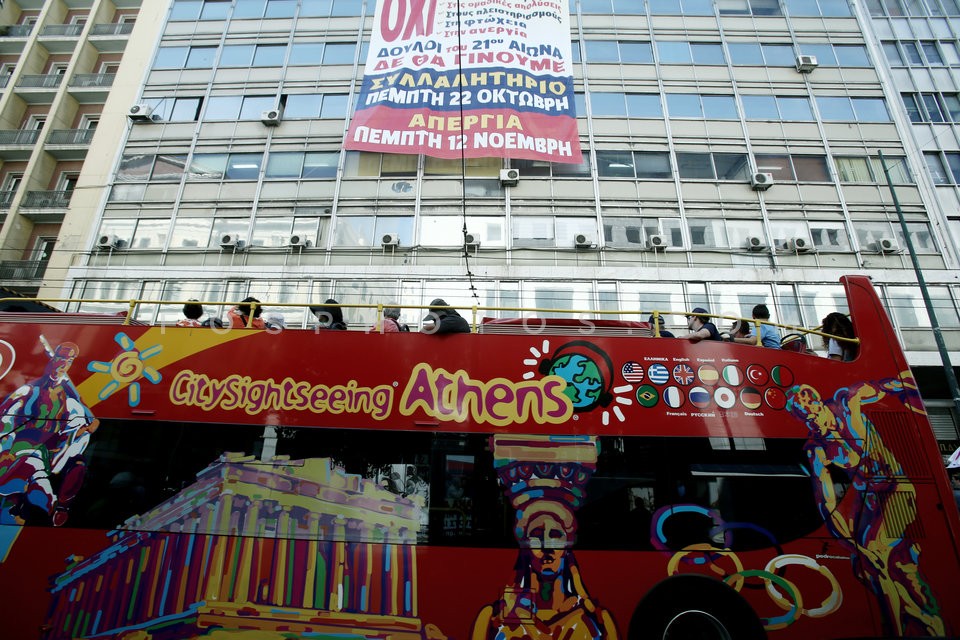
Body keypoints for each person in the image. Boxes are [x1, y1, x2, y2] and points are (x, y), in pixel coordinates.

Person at [786, 378, 945, 636]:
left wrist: (912, 401)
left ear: (816, 402)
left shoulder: (846, 401)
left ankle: (896, 627)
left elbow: (891, 384)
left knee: (875, 552)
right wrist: (850, 543)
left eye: (811, 415)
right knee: (870, 567)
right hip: (868, 502)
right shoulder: (817, 448)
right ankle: (925, 620)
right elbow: (826, 502)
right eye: (804, 420)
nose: (811, 424)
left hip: (896, 489)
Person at [0, 341, 98, 526]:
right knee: (35, 487)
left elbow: (85, 426)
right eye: (60, 357)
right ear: (53, 359)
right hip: (19, 450)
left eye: (68, 360)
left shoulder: (70, 402)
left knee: (77, 463)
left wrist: (83, 429)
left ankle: (60, 507)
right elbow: (5, 421)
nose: (62, 363)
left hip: (47, 453)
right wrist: (5, 449)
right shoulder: (28, 391)